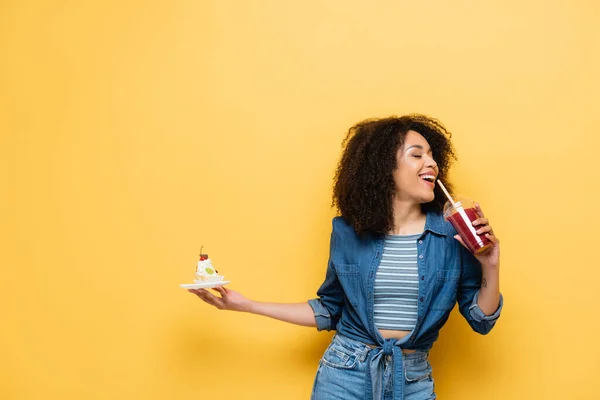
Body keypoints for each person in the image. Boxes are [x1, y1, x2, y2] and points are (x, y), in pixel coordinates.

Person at [189, 114, 503, 400]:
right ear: (384, 168)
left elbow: (480, 318)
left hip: (412, 379)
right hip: (345, 374)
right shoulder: (348, 232)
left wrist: (490, 264)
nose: (431, 163)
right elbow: (329, 309)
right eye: (417, 155)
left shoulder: (452, 235)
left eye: (433, 156)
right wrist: (244, 304)